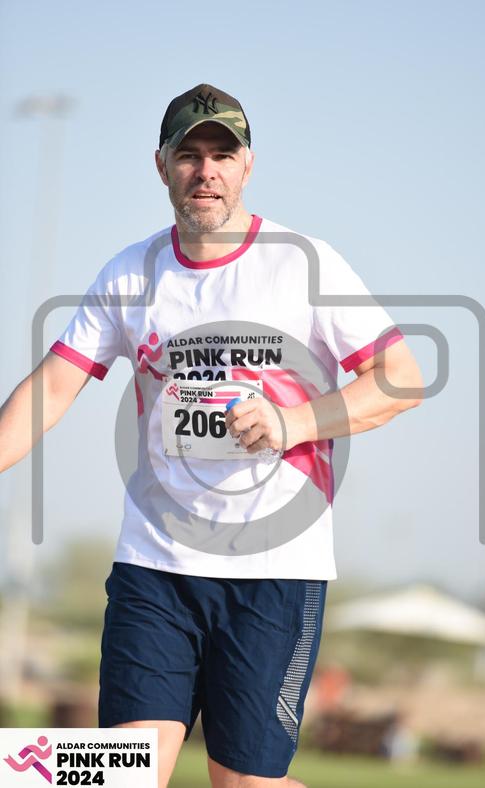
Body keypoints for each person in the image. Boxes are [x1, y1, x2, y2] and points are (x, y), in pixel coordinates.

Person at [0, 83, 423, 787]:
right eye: (189, 154)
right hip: (154, 568)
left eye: (222, 155)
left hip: (274, 573)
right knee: (118, 774)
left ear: (247, 165)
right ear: (161, 165)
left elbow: (400, 378)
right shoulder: (129, 273)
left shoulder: (303, 262)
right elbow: (50, 389)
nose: (206, 171)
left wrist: (291, 422)